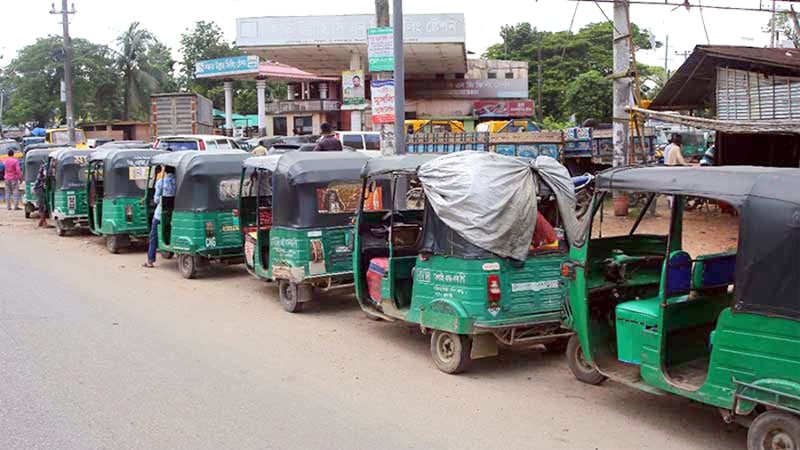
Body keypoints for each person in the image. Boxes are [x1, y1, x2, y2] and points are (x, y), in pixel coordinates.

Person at [143, 166, 176, 268]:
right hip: (175, 214)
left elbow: (157, 199)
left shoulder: (161, 182)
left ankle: (150, 261)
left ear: (165, 171)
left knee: (153, 236)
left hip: (160, 214)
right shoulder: (178, 182)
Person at [34, 162, 50, 227]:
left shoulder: (48, 166)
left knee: (45, 204)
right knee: (42, 204)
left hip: (42, 187)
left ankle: (41, 222)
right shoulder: (46, 166)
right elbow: (46, 177)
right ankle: (44, 223)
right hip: (39, 187)